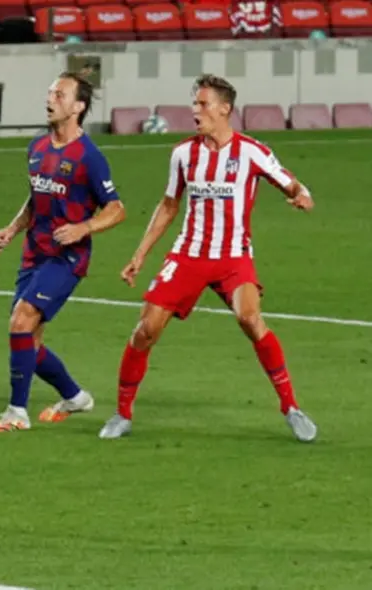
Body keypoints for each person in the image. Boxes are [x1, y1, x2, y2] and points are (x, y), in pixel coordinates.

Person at [99, 74, 318, 443]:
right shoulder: (184, 153)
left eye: (202, 104)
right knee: (146, 330)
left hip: (233, 256)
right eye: (195, 103)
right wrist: (139, 254)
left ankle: (291, 408)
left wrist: (302, 195)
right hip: (188, 254)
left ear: (224, 109)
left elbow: (289, 181)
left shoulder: (252, 152)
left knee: (250, 319)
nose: (195, 110)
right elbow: (169, 205)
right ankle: (122, 414)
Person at [0, 72, 127, 433]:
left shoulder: (89, 157)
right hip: (34, 253)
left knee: (20, 320)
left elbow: (116, 208)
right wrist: (12, 229)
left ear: (79, 107)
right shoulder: (37, 148)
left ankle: (17, 412)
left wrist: (84, 228)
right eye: (50, 92)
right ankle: (75, 396)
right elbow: (36, 198)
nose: (51, 99)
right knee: (27, 339)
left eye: (60, 94)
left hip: (67, 259)